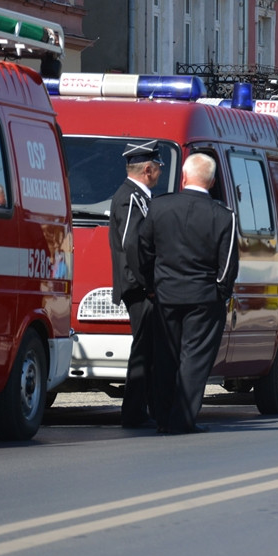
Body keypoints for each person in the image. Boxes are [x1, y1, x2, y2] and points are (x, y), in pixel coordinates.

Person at [138, 152, 238, 435]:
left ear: (183, 177)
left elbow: (143, 250)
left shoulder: (159, 208)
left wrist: (151, 286)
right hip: (204, 297)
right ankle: (181, 420)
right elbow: (228, 262)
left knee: (165, 356)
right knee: (194, 359)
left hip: (166, 295)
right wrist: (221, 292)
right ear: (213, 181)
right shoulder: (223, 215)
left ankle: (162, 417)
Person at [110, 140, 164, 428]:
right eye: (157, 168)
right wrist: (148, 282)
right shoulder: (131, 197)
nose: (159, 174)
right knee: (143, 350)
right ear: (147, 169)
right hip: (138, 286)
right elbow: (132, 243)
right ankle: (133, 413)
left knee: (149, 349)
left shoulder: (139, 196)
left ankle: (150, 408)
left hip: (140, 285)